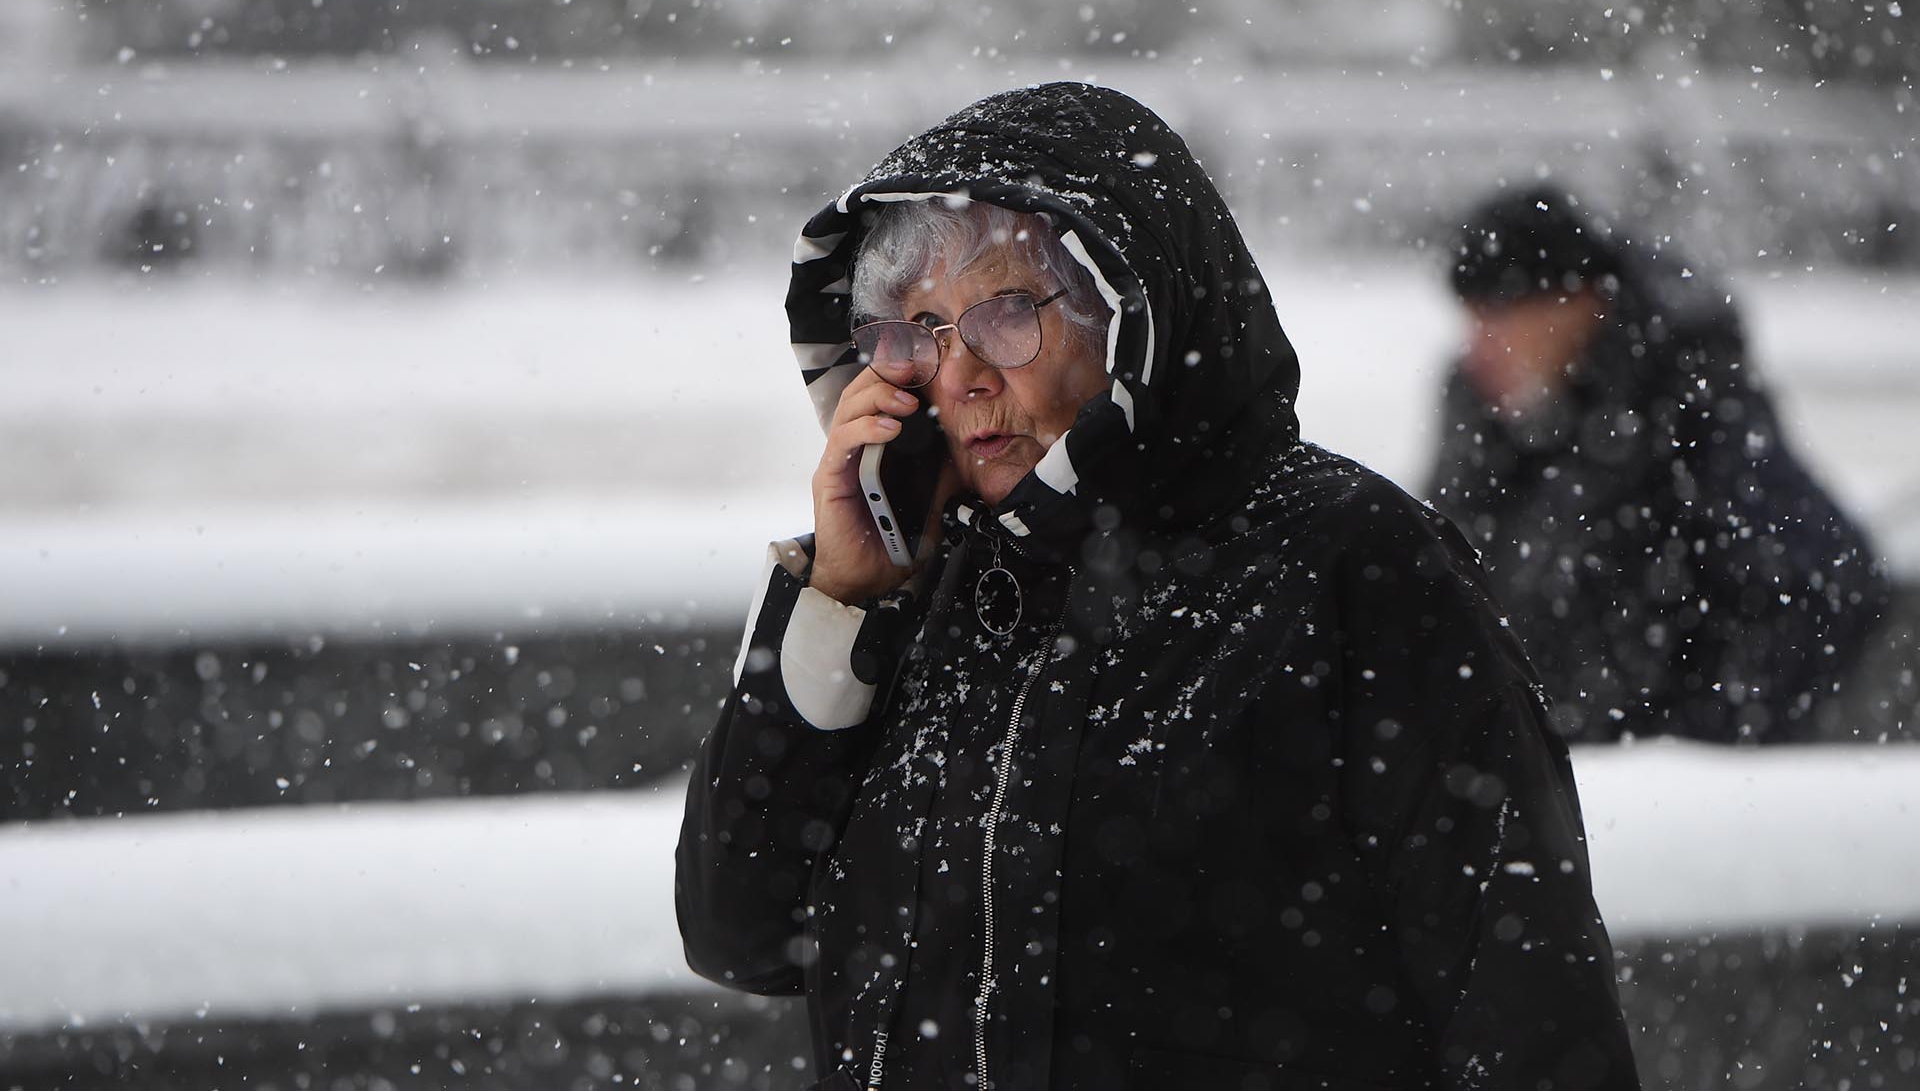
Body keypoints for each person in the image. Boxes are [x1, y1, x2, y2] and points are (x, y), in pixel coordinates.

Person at [677, 85, 1641, 1091]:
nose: (957, 374)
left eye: (1008, 314)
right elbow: (737, 929)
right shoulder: (918, 581)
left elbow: (1528, 1005)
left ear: (1134, 315)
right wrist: (840, 599)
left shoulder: (1348, 562)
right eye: (918, 329)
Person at [1424, 187, 1888, 744]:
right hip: (1536, 763)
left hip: (1653, 778)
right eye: (1473, 321)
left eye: (1500, 318)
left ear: (1580, 304)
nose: (1480, 347)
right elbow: (1440, 571)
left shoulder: (1692, 398)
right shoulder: (1484, 402)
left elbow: (1814, 581)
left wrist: (1691, 752)